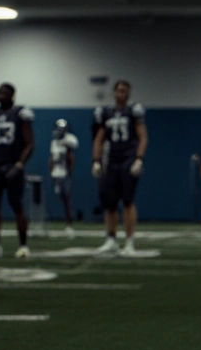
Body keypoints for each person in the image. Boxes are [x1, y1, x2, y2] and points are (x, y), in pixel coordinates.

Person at [0, 83, 35, 259]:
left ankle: (23, 246)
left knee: (16, 204)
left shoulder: (20, 114)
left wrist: (19, 164)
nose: (0, 96)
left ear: (12, 95)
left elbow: (29, 143)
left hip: (13, 164)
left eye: (4, 93)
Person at [91, 80, 147, 255]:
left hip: (128, 157)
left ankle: (129, 242)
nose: (121, 94)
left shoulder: (133, 111)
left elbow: (143, 136)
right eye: (118, 91)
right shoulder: (106, 112)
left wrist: (139, 158)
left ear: (128, 94)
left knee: (128, 201)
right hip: (111, 159)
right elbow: (99, 139)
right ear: (114, 93)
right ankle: (111, 239)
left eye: (124, 91)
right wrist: (96, 160)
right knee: (110, 203)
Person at [49, 118, 79, 238]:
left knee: (67, 200)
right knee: (61, 198)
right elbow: (51, 158)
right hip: (56, 173)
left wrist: (69, 173)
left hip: (65, 173)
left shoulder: (69, 140)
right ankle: (61, 223)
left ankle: (69, 225)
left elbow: (71, 156)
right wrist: (51, 171)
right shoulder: (54, 142)